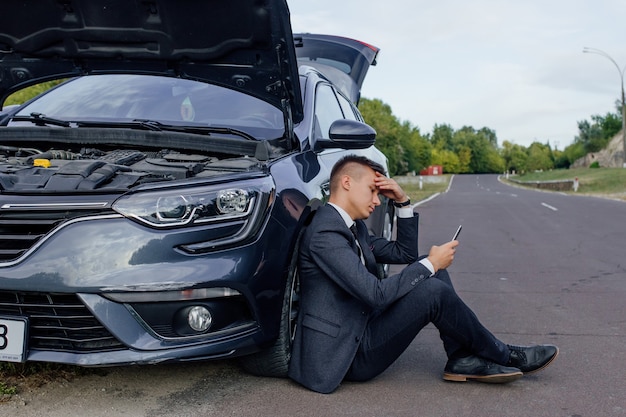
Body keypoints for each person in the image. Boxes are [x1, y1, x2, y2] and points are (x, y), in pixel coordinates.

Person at [288, 155, 558, 394]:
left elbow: (403, 254)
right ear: (346, 182)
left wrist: (403, 202)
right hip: (345, 354)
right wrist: (431, 262)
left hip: (362, 326)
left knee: (431, 272)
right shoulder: (325, 233)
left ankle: (461, 358)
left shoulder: (352, 227)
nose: (377, 200)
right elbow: (374, 294)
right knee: (431, 284)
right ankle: (503, 354)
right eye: (372, 190)